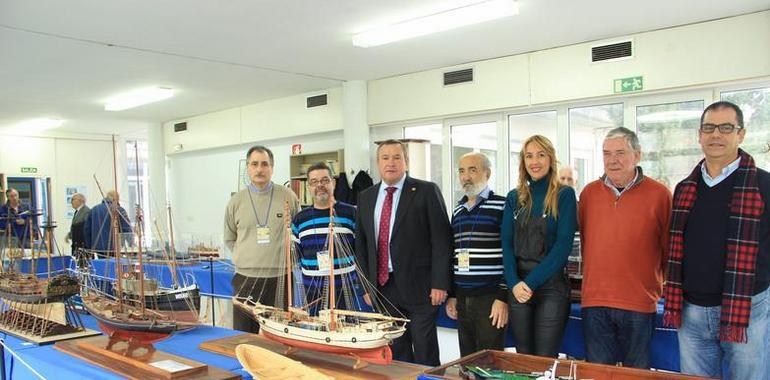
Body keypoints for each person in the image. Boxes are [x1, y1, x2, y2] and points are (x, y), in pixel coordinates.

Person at [663, 101, 770, 379]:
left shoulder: (764, 185)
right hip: (691, 312)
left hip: (747, 310)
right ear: (699, 135)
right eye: (709, 128)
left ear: (741, 134)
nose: (716, 135)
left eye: (726, 127)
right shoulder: (685, 188)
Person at [579, 127, 671, 369]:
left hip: (639, 302)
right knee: (598, 372)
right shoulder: (588, 194)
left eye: (620, 152)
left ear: (637, 156)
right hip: (595, 302)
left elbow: (668, 248)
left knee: (636, 373)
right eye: (606, 153)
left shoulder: (660, 194)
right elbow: (588, 241)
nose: (612, 160)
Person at [354, 139, 452, 366]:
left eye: (397, 157)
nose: (391, 163)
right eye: (385, 158)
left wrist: (440, 283)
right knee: (396, 351)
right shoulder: (366, 197)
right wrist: (367, 286)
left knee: (425, 348)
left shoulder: (426, 190)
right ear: (378, 163)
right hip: (383, 288)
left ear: (406, 162)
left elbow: (441, 240)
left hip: (421, 287)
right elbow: (361, 245)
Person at [501, 135, 577, 358]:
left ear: (551, 159)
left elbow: (563, 247)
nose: (535, 161)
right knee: (524, 358)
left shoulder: (564, 194)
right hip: (519, 288)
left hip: (551, 288)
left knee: (544, 358)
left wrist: (529, 284)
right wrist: (514, 283)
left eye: (541, 155)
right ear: (523, 162)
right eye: (529, 156)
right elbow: (506, 244)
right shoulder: (514, 197)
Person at [225, 145, 300, 333]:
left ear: (272, 168)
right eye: (254, 164)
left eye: (265, 164)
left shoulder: (288, 196)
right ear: (248, 168)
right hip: (245, 279)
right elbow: (230, 238)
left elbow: (297, 233)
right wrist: (250, 257)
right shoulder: (236, 201)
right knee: (244, 333)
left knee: (279, 333)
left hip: (280, 278)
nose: (259, 169)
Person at [445, 152, 508, 357]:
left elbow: (511, 253)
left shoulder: (503, 205)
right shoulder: (458, 210)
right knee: (468, 360)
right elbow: (455, 254)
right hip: (463, 298)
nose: (466, 176)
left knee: (490, 361)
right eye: (462, 171)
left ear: (487, 173)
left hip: (490, 298)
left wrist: (503, 297)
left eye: (473, 170)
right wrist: (453, 295)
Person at [291, 162, 358, 313]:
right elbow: (296, 254)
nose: (319, 185)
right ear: (308, 187)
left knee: (347, 331)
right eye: (314, 182)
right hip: (313, 290)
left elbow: (360, 251)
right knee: (317, 333)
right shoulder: (299, 219)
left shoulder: (351, 213)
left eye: (325, 180)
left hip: (345, 289)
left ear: (333, 183)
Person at [84, 190, 131, 256]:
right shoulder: (119, 210)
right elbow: (127, 230)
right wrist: (131, 247)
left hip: (97, 248)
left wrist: (90, 247)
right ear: (116, 199)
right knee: (114, 266)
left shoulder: (94, 210)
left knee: (100, 265)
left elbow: (87, 231)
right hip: (114, 248)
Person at [65, 193, 91, 266]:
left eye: (73, 199)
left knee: (83, 265)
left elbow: (84, 228)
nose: (71, 202)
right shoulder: (77, 211)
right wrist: (69, 235)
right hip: (77, 245)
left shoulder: (86, 211)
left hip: (83, 246)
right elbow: (75, 226)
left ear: (80, 200)